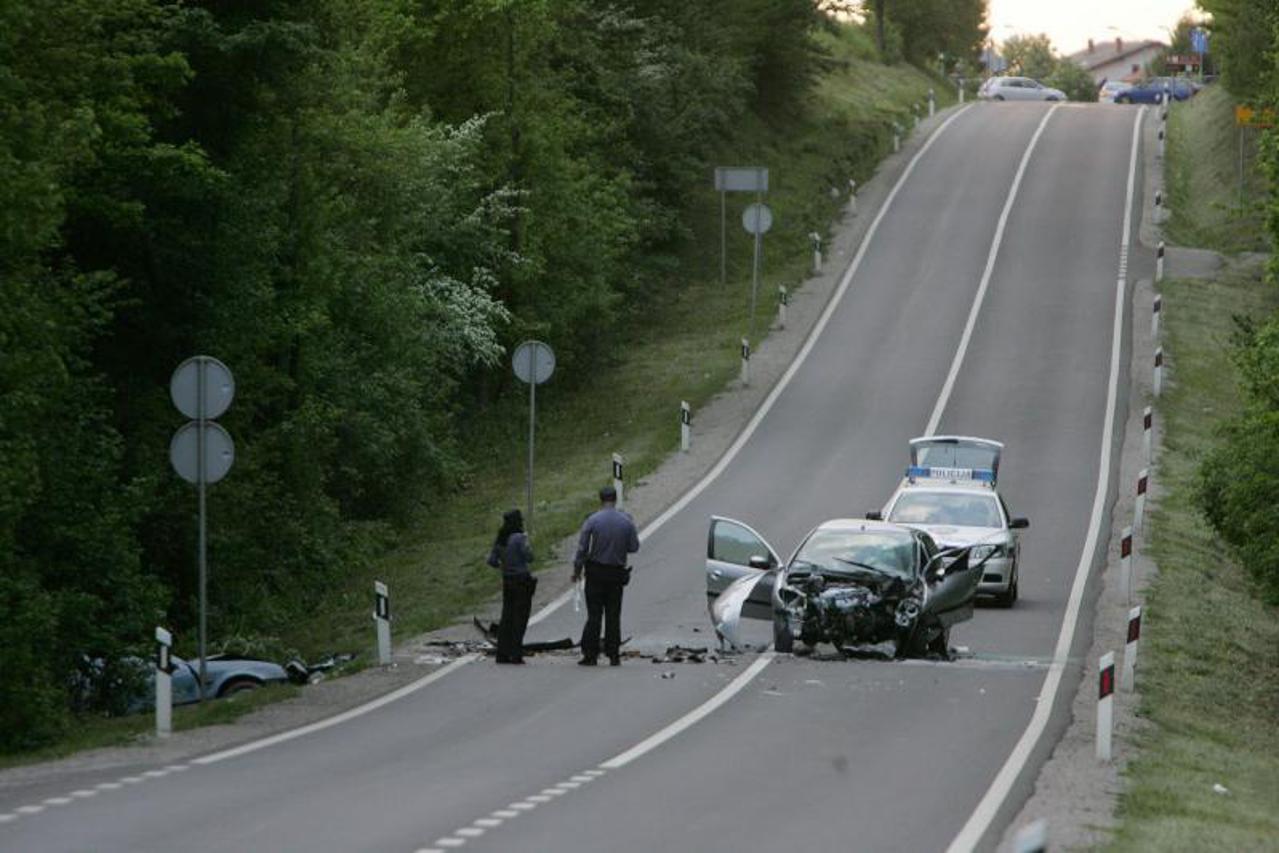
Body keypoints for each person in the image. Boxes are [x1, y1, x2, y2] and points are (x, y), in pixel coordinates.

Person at [573, 486, 640, 666]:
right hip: (616, 574)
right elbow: (634, 547)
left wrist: (577, 571)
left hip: (595, 572)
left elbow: (582, 549)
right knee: (613, 614)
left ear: (600, 499)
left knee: (594, 614)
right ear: (616, 499)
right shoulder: (626, 521)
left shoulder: (592, 521)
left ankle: (590, 654)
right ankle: (613, 654)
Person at [487, 508, 536, 664]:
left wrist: (503, 565)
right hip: (521, 580)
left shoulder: (501, 539)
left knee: (507, 616)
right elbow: (529, 557)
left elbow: (491, 560)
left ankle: (502, 653)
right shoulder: (519, 538)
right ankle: (516, 653)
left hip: (507, 580)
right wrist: (527, 542)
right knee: (520, 618)